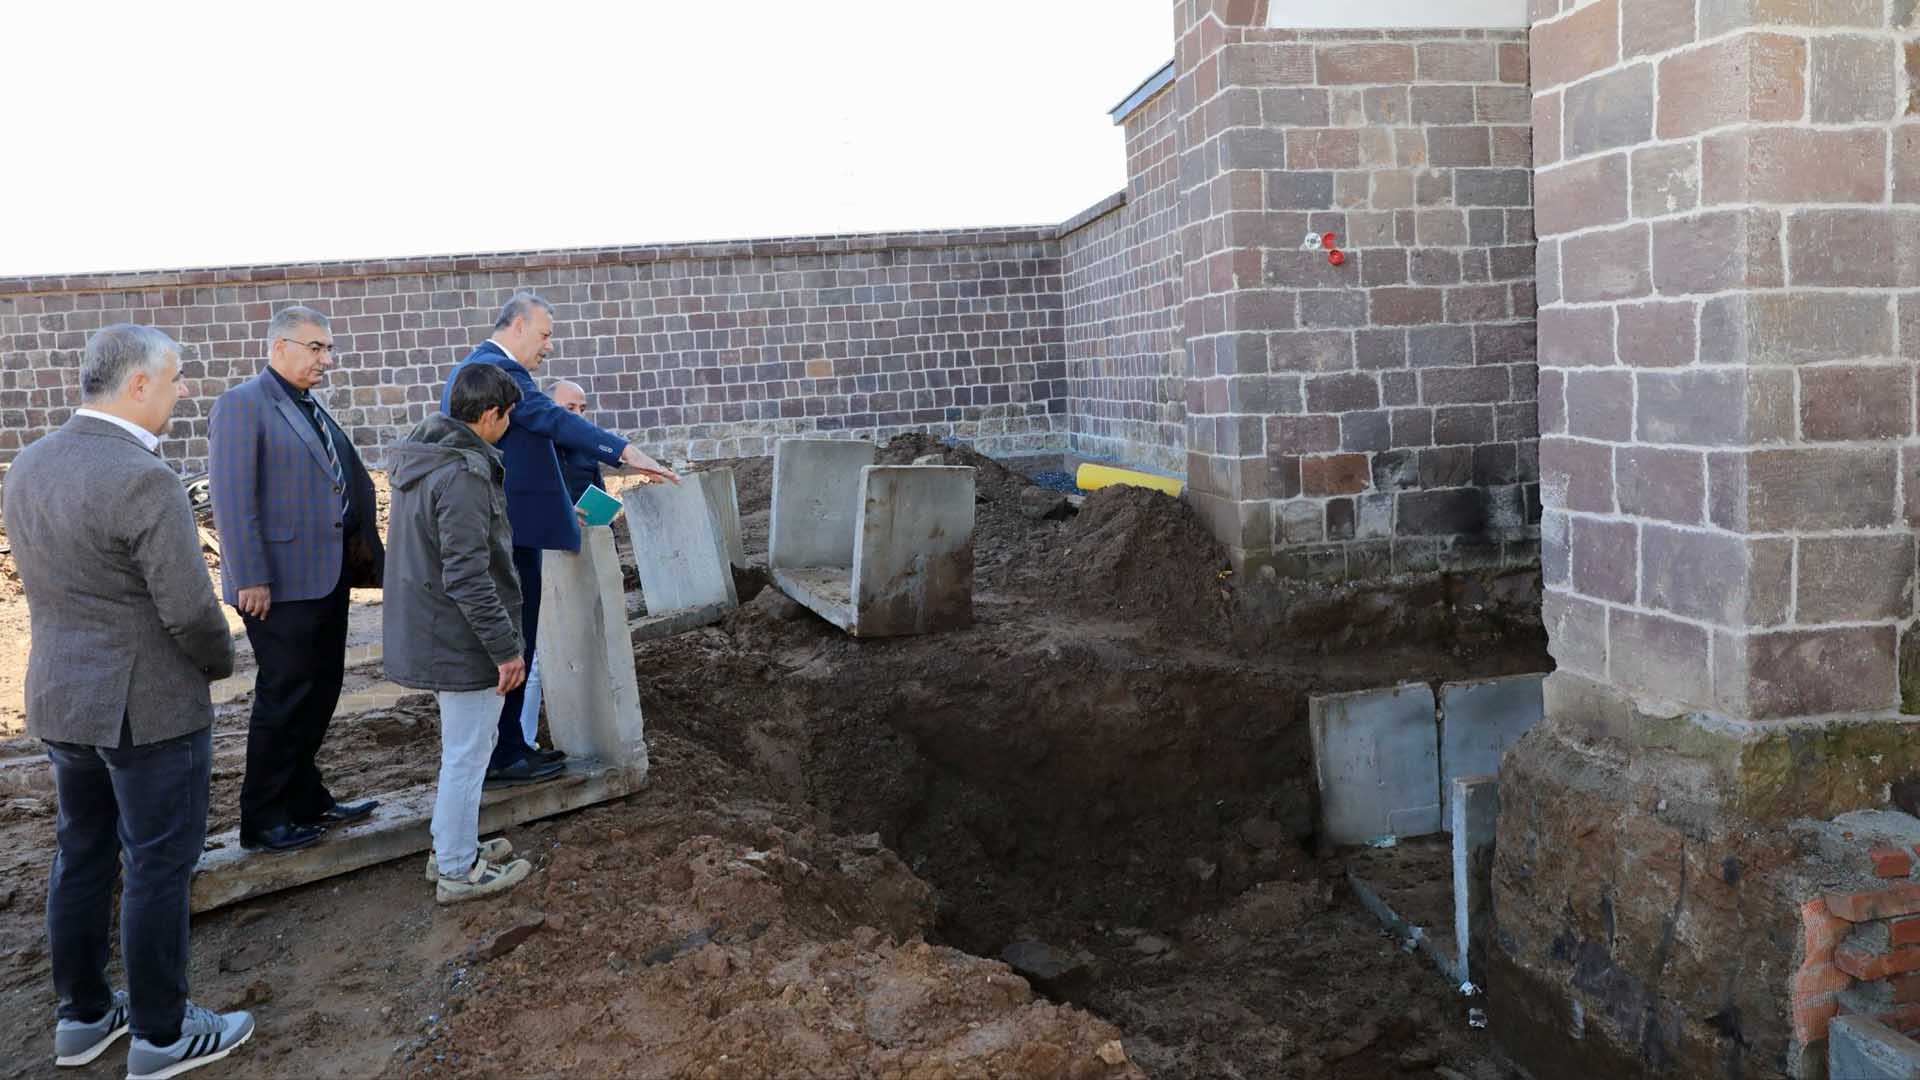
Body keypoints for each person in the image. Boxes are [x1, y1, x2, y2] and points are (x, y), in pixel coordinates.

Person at [5, 325, 255, 1077]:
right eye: (175, 379)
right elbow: (189, 610)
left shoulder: (28, 464)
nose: (183, 393)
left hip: (60, 698)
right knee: (156, 864)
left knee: (80, 855)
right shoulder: (144, 478)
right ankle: (161, 1034)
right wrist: (220, 662)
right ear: (138, 384)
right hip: (147, 708)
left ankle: (81, 1018)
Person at [440, 293, 677, 788]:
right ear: (520, 325)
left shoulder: (489, 366)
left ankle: (510, 749)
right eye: (545, 334)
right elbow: (552, 420)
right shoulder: (493, 369)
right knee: (512, 639)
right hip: (506, 531)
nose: (549, 346)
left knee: (519, 637)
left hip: (517, 527)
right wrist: (625, 451)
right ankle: (502, 756)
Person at [208, 307, 385, 852]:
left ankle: (306, 798)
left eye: (328, 349)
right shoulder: (241, 405)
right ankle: (262, 819)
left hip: (324, 576)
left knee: (321, 689)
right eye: (315, 348)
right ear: (278, 347)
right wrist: (251, 577)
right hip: (277, 586)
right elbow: (232, 500)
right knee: (285, 697)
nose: (326, 360)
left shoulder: (306, 404)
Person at [383, 363, 537, 903]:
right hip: (460, 636)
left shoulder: (426, 457)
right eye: (509, 415)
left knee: (466, 747)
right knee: (469, 753)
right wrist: (506, 648)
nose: (510, 423)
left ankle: (452, 843)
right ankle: (455, 868)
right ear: (489, 415)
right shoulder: (464, 473)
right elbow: (468, 574)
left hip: (438, 628)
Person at [515, 378, 604, 751]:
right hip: (540, 559)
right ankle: (522, 741)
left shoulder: (586, 450)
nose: (579, 417)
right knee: (533, 659)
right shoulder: (533, 450)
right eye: (570, 409)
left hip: (580, 557)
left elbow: (597, 496)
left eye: (583, 409)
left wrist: (599, 520)